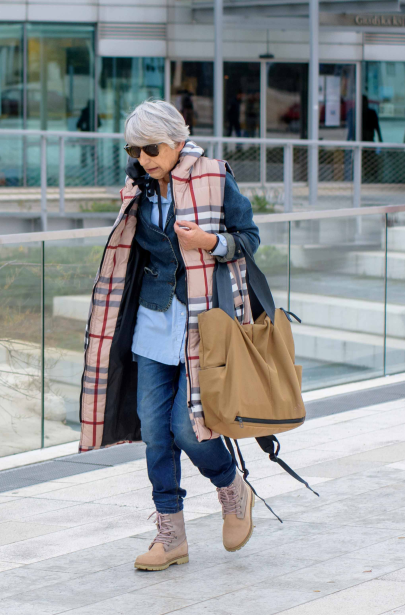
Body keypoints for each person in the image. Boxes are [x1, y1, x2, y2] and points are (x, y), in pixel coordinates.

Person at [78, 100, 262, 572]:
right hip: (152, 324)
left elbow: (250, 237)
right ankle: (171, 534)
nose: (143, 157)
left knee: (187, 425)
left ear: (179, 141)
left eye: (152, 147)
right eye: (135, 149)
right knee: (155, 430)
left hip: (206, 326)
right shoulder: (137, 190)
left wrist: (211, 243)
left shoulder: (215, 177)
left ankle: (232, 489)